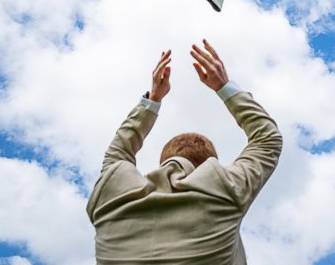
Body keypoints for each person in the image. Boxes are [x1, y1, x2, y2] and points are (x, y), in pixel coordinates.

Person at [86, 40, 283, 264]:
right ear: (205, 167)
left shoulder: (111, 196)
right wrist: (223, 85)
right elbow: (269, 138)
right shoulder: (224, 192)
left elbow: (117, 152)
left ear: (163, 162)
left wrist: (154, 98)